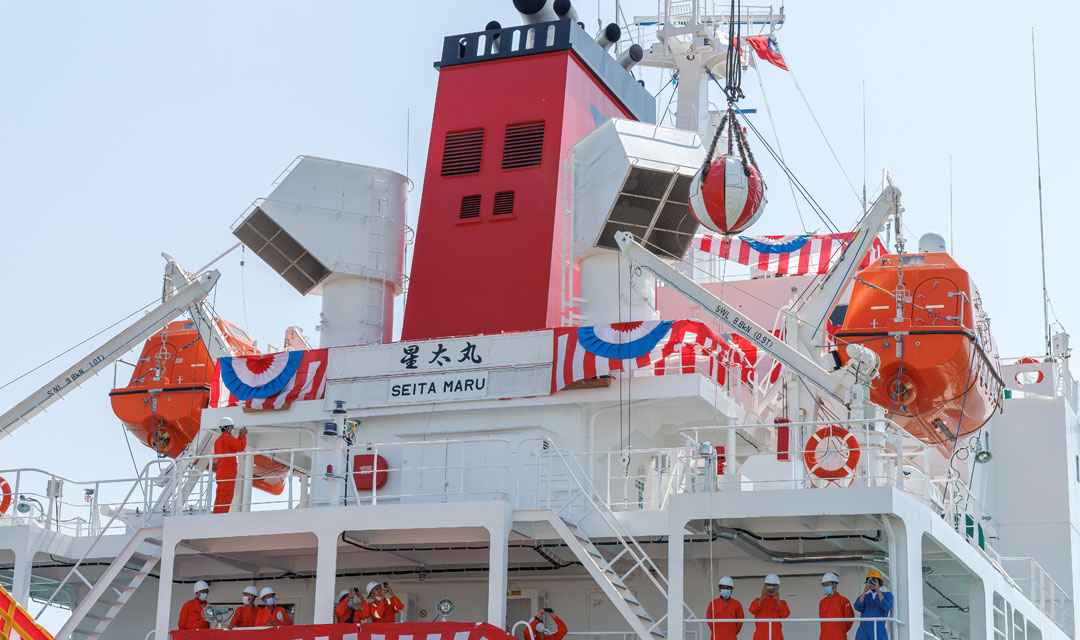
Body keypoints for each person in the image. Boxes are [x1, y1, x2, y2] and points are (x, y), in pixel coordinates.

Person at [212, 417, 247, 514]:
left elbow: (232, 447)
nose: (232, 429)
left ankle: (217, 514)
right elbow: (240, 447)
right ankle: (221, 516)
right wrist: (243, 436)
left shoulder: (219, 440)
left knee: (220, 494)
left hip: (222, 470)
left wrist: (239, 437)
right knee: (226, 494)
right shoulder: (227, 437)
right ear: (227, 427)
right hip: (228, 469)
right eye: (231, 427)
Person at [853, 569, 894, 640]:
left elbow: (887, 606)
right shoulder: (865, 596)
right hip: (863, 629)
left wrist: (878, 591)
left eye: (875, 581)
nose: (872, 583)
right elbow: (857, 606)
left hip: (878, 628)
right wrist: (864, 591)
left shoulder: (887, 595)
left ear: (880, 582)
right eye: (869, 581)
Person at [748, 574, 790, 640]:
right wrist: (762, 597)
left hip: (776, 637)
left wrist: (778, 600)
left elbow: (785, 615)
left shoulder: (782, 602)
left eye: (773, 585)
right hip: (760, 637)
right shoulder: (758, 600)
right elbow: (752, 610)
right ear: (764, 586)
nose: (771, 587)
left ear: (778, 587)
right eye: (768, 585)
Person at [705, 576, 744, 640]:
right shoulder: (713, 603)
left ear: (731, 589)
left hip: (731, 637)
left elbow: (740, 621)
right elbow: (709, 620)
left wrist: (732, 632)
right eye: (723, 587)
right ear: (720, 588)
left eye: (728, 588)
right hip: (716, 637)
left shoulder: (737, 604)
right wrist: (716, 631)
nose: (725, 589)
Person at [818, 573, 854, 640]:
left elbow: (850, 619)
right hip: (824, 637)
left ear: (835, 584)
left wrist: (840, 630)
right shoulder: (822, 602)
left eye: (828, 584)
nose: (826, 587)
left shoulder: (844, 601)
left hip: (839, 637)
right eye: (824, 585)